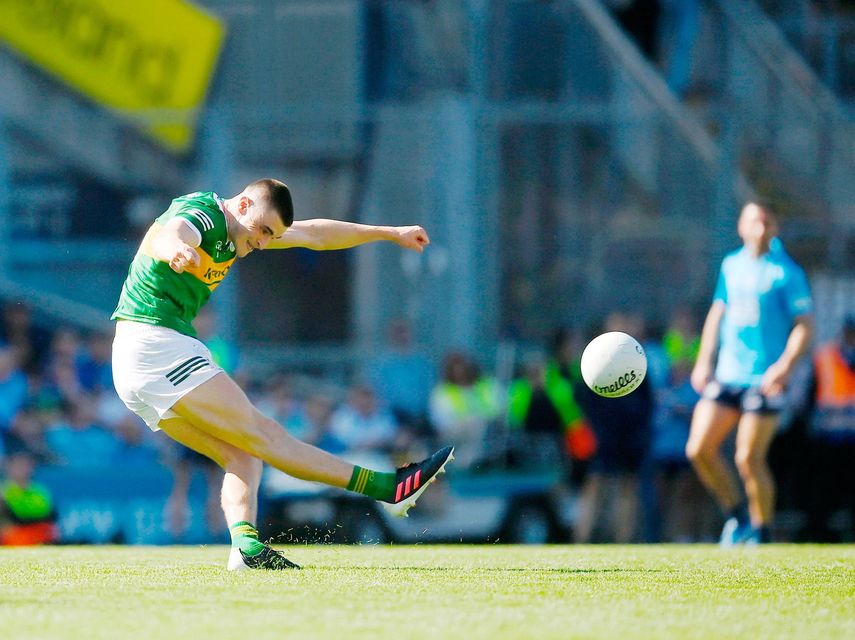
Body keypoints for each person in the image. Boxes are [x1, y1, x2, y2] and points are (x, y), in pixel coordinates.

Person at [110, 179, 454, 570]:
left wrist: (389, 233)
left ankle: (245, 548)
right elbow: (172, 232)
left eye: (271, 235)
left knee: (243, 455)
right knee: (266, 435)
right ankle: (387, 488)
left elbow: (316, 234)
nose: (262, 242)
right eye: (263, 230)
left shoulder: (243, 230)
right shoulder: (205, 214)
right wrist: (178, 250)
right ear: (241, 205)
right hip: (156, 344)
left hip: (136, 361)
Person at [686, 202, 813, 545]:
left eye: (766, 221)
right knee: (699, 449)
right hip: (728, 375)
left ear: (774, 227)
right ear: (741, 226)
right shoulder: (731, 265)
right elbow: (717, 314)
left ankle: (762, 533)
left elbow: (804, 326)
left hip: (764, 379)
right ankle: (737, 516)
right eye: (753, 220)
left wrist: (784, 366)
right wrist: (703, 362)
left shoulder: (786, 273)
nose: (760, 227)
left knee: (748, 458)